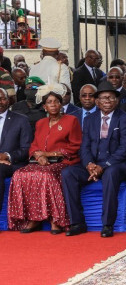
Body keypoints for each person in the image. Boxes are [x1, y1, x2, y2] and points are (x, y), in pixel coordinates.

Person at [62, 81, 126, 238]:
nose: (107, 101)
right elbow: (84, 147)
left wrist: (103, 166)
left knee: (110, 174)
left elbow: (125, 149)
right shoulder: (90, 120)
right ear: (97, 102)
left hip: (116, 164)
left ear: (116, 100)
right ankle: (77, 223)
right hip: (93, 164)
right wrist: (89, 165)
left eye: (110, 98)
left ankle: (107, 224)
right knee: (68, 173)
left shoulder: (125, 119)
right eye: (103, 98)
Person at [8, 83, 82, 233]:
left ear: (61, 105)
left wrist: (48, 155)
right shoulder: (41, 123)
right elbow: (34, 144)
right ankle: (34, 219)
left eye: (56, 101)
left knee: (46, 175)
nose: (53, 105)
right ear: (44, 107)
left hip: (64, 161)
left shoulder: (71, 121)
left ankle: (56, 219)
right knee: (20, 174)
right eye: (49, 102)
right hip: (40, 162)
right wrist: (38, 155)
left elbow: (75, 146)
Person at [0, 88, 33, 217]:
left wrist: (6, 156)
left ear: (9, 101)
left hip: (12, 164)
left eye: (3, 98)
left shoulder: (21, 120)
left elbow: (27, 148)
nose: (0, 102)